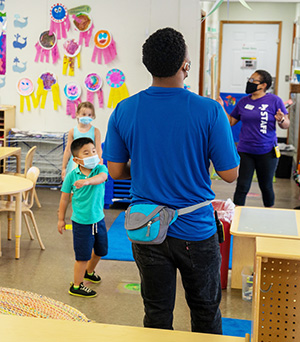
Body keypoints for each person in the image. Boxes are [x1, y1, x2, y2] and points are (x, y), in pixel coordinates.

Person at [102, 27, 239, 334]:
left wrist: (148, 169)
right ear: (185, 65)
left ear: (148, 65)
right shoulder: (209, 110)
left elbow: (115, 171)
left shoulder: (124, 109)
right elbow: (230, 174)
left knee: (156, 314)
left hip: (147, 228)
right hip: (196, 231)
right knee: (205, 312)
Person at [218, 70, 290, 207]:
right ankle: (236, 216)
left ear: (263, 85)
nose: (249, 83)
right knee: (242, 186)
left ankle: (270, 213)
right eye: (249, 79)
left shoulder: (275, 101)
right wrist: (221, 109)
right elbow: (231, 121)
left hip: (267, 151)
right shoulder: (244, 102)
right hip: (245, 151)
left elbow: (286, 124)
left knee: (266, 186)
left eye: (253, 80)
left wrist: (281, 120)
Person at [58, 137, 108, 298]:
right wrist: (61, 219)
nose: (92, 155)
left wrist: (86, 182)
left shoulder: (100, 169)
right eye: (86, 153)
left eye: (93, 151)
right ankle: (77, 286)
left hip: (98, 219)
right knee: (82, 256)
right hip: (81, 223)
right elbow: (64, 198)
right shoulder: (72, 176)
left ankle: (89, 272)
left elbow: (102, 178)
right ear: (77, 159)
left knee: (101, 250)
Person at [61, 101, 102, 181]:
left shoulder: (95, 131)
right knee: (74, 187)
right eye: (83, 114)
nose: (87, 116)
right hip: (75, 164)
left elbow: (98, 149)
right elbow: (68, 150)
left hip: (91, 163)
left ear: (93, 116)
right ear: (77, 114)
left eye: (89, 115)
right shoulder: (72, 131)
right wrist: (63, 167)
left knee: (89, 188)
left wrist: (100, 164)